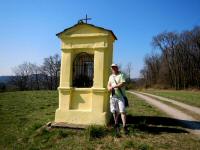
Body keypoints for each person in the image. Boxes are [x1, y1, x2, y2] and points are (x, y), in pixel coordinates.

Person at [107, 63, 127, 135]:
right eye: (112, 67)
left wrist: (114, 86)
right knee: (114, 111)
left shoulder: (121, 75)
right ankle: (116, 124)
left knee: (122, 111)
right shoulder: (110, 76)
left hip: (120, 96)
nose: (113, 68)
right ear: (111, 69)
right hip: (113, 96)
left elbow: (123, 83)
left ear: (117, 68)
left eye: (114, 67)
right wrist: (109, 88)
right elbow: (108, 85)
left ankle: (124, 126)